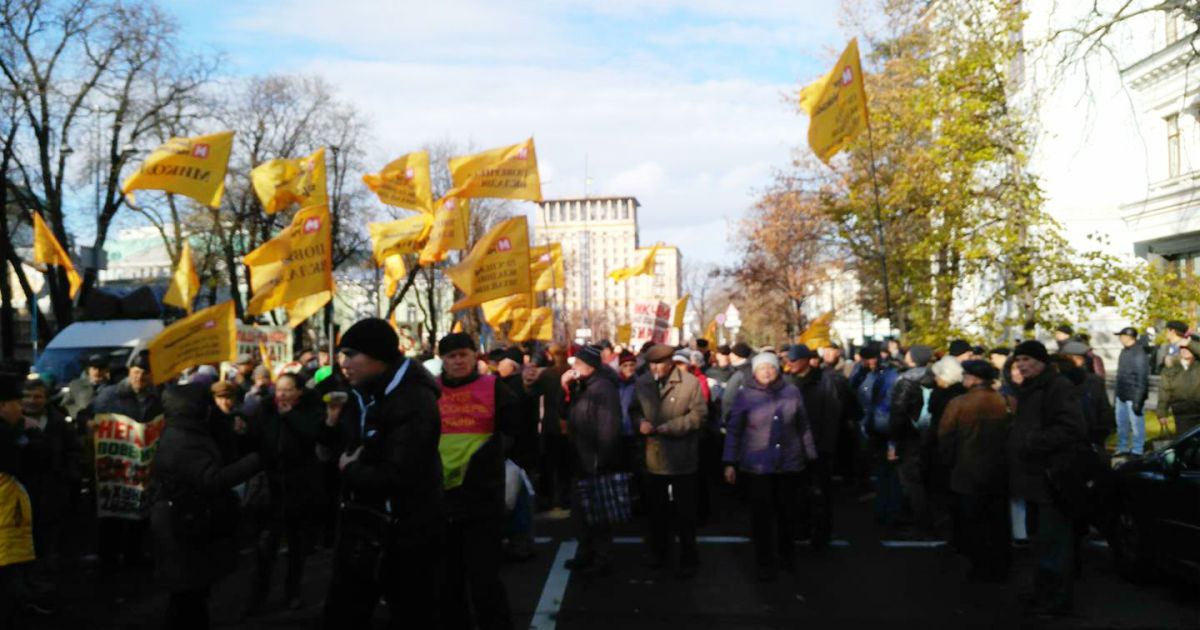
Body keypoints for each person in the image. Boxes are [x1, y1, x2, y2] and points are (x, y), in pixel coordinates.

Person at [319, 318, 443, 628]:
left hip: (402, 531)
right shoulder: (361, 393)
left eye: (351, 354)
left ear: (378, 356)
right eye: (341, 355)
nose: (343, 363)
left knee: (412, 613)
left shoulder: (412, 398)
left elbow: (399, 473)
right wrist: (331, 427)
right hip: (364, 525)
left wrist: (351, 470)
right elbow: (344, 448)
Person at [148, 382, 263, 630]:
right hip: (182, 524)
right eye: (206, 404)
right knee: (188, 596)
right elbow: (210, 480)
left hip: (183, 519)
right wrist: (255, 461)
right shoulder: (184, 440)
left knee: (191, 593)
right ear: (194, 408)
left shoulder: (187, 430)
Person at [435, 332, 518, 630]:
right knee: (448, 581)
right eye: (451, 356)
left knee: (485, 582)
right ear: (442, 360)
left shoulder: (495, 388)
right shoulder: (430, 392)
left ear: (475, 356)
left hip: (481, 499)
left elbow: (513, 433)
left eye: (463, 355)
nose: (458, 361)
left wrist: (489, 463)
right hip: (442, 501)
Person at [1007, 341, 1088, 617]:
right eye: (1018, 360)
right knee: (1040, 543)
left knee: (1054, 545)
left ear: (1042, 361)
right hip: (1032, 480)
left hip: (1051, 479)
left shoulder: (1057, 387)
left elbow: (1072, 428)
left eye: (1027, 359)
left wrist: (1031, 441)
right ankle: (1043, 593)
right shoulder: (1031, 388)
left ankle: (1057, 602)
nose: (1021, 364)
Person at [724, 351, 818, 581]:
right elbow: (734, 430)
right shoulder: (746, 394)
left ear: (778, 370)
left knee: (787, 514)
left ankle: (787, 556)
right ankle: (764, 562)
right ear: (755, 372)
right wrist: (729, 462)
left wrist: (810, 455)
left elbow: (802, 425)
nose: (767, 372)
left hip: (789, 463)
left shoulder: (792, 391)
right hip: (758, 467)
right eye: (762, 368)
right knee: (761, 517)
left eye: (771, 368)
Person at [243, 373, 324, 614]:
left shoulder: (311, 408)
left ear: (299, 392)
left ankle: (293, 592)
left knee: (297, 547)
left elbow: (314, 435)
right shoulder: (265, 409)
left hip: (300, 487)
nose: (282, 395)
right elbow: (253, 439)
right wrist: (241, 431)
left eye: (288, 390)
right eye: (279, 390)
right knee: (266, 546)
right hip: (272, 487)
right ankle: (258, 596)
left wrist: (290, 416)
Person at [630, 344, 707, 578]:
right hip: (653, 456)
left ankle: (688, 557)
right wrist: (640, 422)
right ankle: (659, 553)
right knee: (656, 511)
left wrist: (672, 427)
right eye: (652, 364)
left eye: (660, 364)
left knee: (685, 512)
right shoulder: (643, 382)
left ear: (671, 362)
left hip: (682, 455)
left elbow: (699, 415)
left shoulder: (689, 382)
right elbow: (633, 410)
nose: (655, 369)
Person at [938, 360, 1013, 581]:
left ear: (973, 378)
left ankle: (979, 566)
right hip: (999, 472)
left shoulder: (958, 403)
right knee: (999, 522)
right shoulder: (1006, 401)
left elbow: (945, 438)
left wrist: (947, 465)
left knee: (973, 523)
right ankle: (1001, 566)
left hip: (966, 472)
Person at [92, 351, 161, 571]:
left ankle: (134, 555)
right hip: (115, 466)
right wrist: (87, 423)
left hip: (142, 467)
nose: (139, 377)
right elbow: (88, 414)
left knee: (139, 514)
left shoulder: (158, 397)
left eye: (145, 373)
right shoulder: (109, 395)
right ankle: (108, 559)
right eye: (136, 371)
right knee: (112, 515)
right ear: (130, 371)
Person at [560, 345, 625, 576]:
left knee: (598, 516)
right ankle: (585, 553)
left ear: (589, 366)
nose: (574, 369)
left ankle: (601, 558)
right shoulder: (584, 386)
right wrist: (566, 388)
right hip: (581, 460)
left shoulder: (603, 388)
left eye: (577, 364)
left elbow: (609, 427)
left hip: (595, 462)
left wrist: (600, 461)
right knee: (581, 515)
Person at [19, 379, 81, 573]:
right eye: (27, 396)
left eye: (37, 396)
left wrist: (67, 475)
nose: (32, 401)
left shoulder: (58, 421)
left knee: (50, 536)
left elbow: (73, 449)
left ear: (46, 398)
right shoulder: (12, 423)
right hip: (23, 488)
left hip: (53, 488)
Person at [784, 344, 841, 547]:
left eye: (794, 360)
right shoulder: (787, 382)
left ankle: (822, 532)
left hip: (819, 446)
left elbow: (832, 415)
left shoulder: (823, 381)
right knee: (797, 491)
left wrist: (826, 446)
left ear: (806, 360)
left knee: (820, 492)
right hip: (793, 447)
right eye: (788, 360)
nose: (789, 364)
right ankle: (801, 529)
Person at [1, 373, 37, 628]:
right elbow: (28, 465)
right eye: (16, 402)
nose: (21, 408)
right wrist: (30, 438)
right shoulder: (6, 436)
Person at [888, 344, 935, 536]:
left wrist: (892, 442)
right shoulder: (934, 377)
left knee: (911, 482)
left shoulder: (905, 380)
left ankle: (920, 523)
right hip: (929, 436)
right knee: (926, 481)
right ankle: (930, 520)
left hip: (909, 437)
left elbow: (898, 413)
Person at [856, 343, 902, 525]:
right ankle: (884, 510)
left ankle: (891, 513)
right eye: (867, 358)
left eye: (874, 357)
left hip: (886, 429)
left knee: (890, 473)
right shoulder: (862, 374)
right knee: (881, 472)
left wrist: (893, 441)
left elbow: (892, 408)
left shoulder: (889, 376)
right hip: (872, 427)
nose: (871, 362)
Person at [532, 343, 572, 510]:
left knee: (549, 464)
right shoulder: (571, 372)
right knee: (566, 464)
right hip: (568, 423)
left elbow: (535, 394)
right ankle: (565, 498)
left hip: (550, 423)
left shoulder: (546, 374)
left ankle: (548, 498)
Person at [1057, 341, 1115, 448]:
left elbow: (1104, 410)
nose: (1082, 362)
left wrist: (1101, 433)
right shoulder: (1056, 383)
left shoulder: (1094, 381)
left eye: (1082, 359)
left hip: (1092, 439)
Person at [1113, 326, 1149, 457]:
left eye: (1121, 336)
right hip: (1122, 394)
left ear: (1129, 337)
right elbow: (1120, 376)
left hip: (1133, 395)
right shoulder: (1124, 352)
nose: (1120, 338)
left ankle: (1137, 449)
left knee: (1137, 425)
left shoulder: (1139, 353)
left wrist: (1138, 400)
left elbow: (1142, 378)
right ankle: (1122, 447)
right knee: (1121, 424)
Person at [1157, 336, 1200, 436]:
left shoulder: (1198, 365)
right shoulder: (1171, 367)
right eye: (1182, 347)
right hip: (1182, 414)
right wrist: (1162, 413)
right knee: (1185, 445)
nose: (1184, 350)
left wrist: (1189, 343)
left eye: (1187, 348)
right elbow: (1164, 391)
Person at [62, 354, 110, 423]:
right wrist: (80, 415)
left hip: (105, 426)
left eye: (101, 368)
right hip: (81, 426)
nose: (97, 371)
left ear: (106, 370)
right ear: (88, 370)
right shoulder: (76, 385)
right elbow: (66, 404)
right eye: (94, 368)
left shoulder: (113, 386)